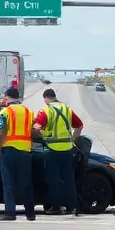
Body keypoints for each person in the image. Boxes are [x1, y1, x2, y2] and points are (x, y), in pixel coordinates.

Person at [34, 87, 83, 216]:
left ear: (46, 98)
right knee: (68, 179)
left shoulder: (46, 110)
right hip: (67, 149)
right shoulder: (67, 109)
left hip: (52, 149)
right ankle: (73, 207)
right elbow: (79, 125)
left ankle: (56, 207)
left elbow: (37, 127)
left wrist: (42, 135)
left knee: (53, 179)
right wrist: (72, 139)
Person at [0, 86, 36, 221]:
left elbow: (0, 133)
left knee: (9, 183)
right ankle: (30, 213)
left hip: (9, 151)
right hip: (25, 151)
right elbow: (34, 131)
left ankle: (10, 213)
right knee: (26, 184)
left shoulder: (5, 112)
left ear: (7, 97)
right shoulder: (29, 112)